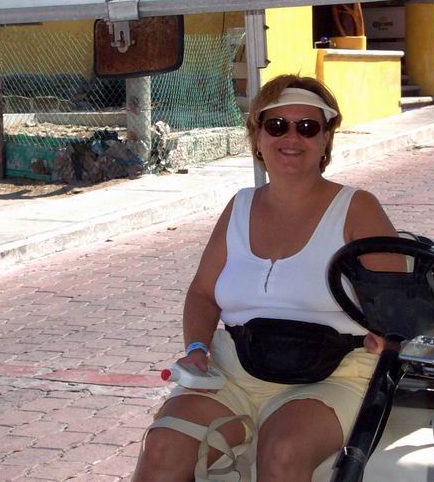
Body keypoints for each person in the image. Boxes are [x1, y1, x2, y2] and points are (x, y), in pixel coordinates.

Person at [133, 74, 402, 482]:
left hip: (333, 374)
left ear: (326, 138)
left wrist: (387, 333)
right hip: (236, 370)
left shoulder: (357, 208)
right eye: (276, 126)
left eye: (307, 127)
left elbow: (399, 301)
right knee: (164, 445)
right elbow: (203, 293)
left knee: (283, 451)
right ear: (257, 136)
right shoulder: (239, 206)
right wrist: (196, 348)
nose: (290, 138)